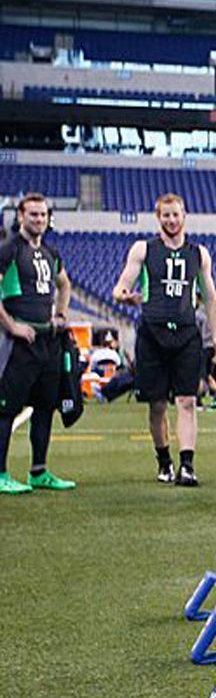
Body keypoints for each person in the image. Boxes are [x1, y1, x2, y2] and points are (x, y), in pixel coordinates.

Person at [112, 193, 216, 487]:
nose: (171, 220)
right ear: (158, 217)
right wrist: (125, 296)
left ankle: (187, 465)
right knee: (157, 406)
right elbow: (121, 286)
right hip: (152, 334)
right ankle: (164, 460)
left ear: (184, 216)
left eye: (176, 215)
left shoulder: (199, 254)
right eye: (166, 215)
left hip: (187, 334)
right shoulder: (143, 250)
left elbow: (211, 299)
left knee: (187, 400)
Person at [0, 193, 76, 493]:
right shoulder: (8, 250)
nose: (39, 220)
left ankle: (39, 471)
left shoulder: (50, 252)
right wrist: (12, 326)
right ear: (21, 216)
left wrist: (62, 313)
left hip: (47, 341)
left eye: (43, 215)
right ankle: (1, 473)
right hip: (18, 344)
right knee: (6, 409)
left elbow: (64, 283)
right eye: (33, 214)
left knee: (45, 407)